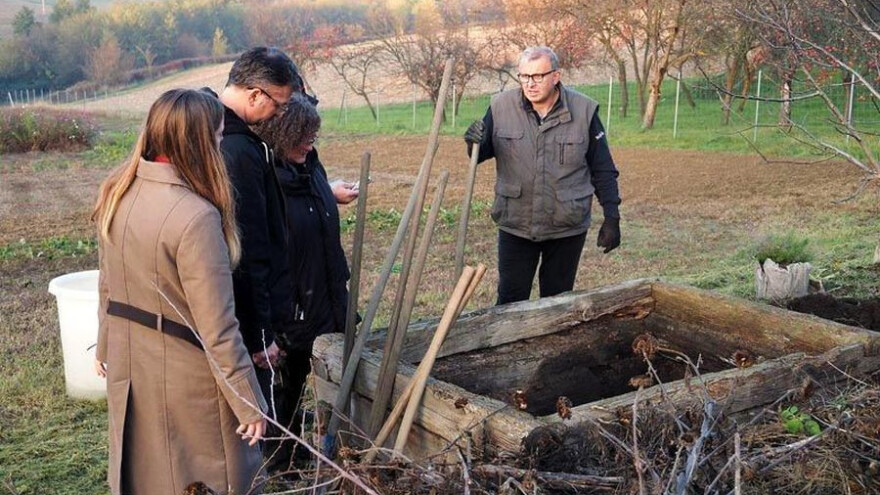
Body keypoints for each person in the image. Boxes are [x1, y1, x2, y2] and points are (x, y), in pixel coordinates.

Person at [92, 89, 267, 495]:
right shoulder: (195, 217)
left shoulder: (118, 192)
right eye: (219, 136)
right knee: (210, 478)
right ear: (199, 142)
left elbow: (107, 286)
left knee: (150, 476)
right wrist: (248, 402)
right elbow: (218, 327)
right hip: (186, 381)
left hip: (133, 365)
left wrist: (104, 346)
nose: (222, 145)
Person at [464, 46, 622, 305]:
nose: (530, 83)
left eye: (538, 76)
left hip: (566, 227)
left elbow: (602, 169)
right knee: (510, 302)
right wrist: (472, 143)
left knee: (557, 304)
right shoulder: (500, 107)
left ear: (556, 76)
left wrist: (612, 217)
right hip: (516, 224)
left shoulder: (584, 111)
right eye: (524, 76)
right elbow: (480, 154)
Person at [253, 92, 357, 470]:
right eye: (301, 138)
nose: (309, 145)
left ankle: (333, 445)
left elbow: (314, 208)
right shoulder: (267, 181)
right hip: (293, 307)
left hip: (327, 294)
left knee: (336, 375)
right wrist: (275, 322)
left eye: (312, 137)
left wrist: (330, 192)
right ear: (279, 135)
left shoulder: (310, 166)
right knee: (288, 388)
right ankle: (282, 461)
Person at [216, 47, 300, 399]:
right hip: (244, 322)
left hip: (238, 317)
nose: (280, 114)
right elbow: (248, 250)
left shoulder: (224, 135)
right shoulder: (236, 151)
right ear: (254, 95)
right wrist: (260, 336)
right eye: (279, 105)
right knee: (254, 411)